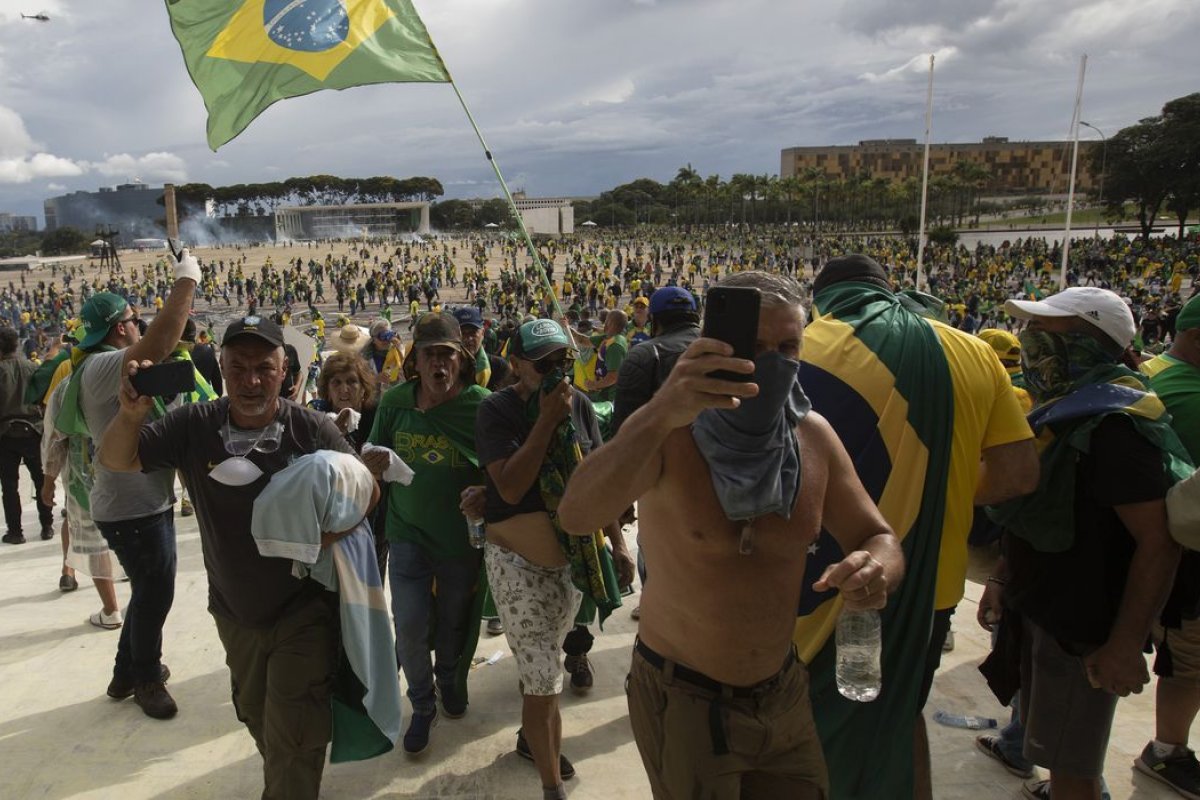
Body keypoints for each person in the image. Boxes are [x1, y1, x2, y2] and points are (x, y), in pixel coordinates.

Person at [558, 270, 905, 800]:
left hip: (783, 691)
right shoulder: (670, 433)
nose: (772, 362)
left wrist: (878, 568)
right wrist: (661, 410)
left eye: (788, 347)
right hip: (685, 697)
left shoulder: (812, 437)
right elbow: (577, 514)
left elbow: (877, 535)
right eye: (755, 346)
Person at [793, 255, 1037, 800]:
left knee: (811, 733)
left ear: (822, 299)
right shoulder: (975, 351)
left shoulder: (805, 347)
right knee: (900, 717)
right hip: (933, 585)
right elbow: (1019, 473)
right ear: (888, 288)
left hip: (831, 582)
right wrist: (942, 487)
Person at [98, 314, 371, 800]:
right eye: (238, 368)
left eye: (264, 368)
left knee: (294, 730)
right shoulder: (193, 425)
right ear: (221, 368)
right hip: (234, 611)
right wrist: (132, 414)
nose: (251, 381)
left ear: (284, 371)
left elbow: (367, 492)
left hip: (303, 609)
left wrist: (324, 537)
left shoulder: (308, 429)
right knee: (257, 713)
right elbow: (117, 459)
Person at [986, 287, 1191, 800]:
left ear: (1088, 343)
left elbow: (1158, 542)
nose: (1031, 341)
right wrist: (1002, 577)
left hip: (1084, 630)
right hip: (1045, 609)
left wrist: (1124, 643)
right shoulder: (1067, 409)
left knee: (1073, 770)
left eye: (1045, 331)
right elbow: (1040, 511)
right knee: (1055, 756)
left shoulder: (1116, 425)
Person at [475, 319, 625, 800]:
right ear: (517, 365)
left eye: (564, 360)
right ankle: (551, 787)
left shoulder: (578, 403)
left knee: (544, 668)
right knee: (543, 679)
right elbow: (510, 486)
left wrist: (617, 544)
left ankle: (533, 742)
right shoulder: (497, 410)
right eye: (544, 364)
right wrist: (544, 422)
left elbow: (595, 477)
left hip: (568, 565)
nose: (557, 371)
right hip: (515, 564)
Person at [59, 249, 198, 720]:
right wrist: (186, 279)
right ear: (120, 328)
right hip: (131, 507)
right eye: (134, 320)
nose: (139, 327)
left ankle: (124, 674)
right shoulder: (103, 367)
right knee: (156, 594)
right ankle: (147, 678)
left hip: (139, 501)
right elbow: (161, 341)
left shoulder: (99, 366)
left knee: (146, 590)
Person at [364, 312, 489, 756]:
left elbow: (505, 468)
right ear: (414, 361)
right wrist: (372, 461)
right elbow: (372, 450)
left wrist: (487, 493)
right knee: (411, 625)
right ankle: (421, 704)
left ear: (462, 359)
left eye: (447, 355)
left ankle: (449, 678)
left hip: (460, 540)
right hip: (407, 534)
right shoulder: (396, 402)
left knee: (453, 621)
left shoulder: (481, 406)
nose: (439, 364)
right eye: (429, 355)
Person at [1134, 293, 1200, 797]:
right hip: (1182, 556)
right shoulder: (1188, 393)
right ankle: (1168, 749)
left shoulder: (1150, 371)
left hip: (1144, 544)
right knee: (1189, 663)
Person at [610, 285, 702, 618]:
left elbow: (625, 432)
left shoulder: (645, 354)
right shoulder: (724, 350)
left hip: (662, 475)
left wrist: (622, 494)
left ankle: (655, 604)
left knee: (657, 541)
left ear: (655, 321)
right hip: (721, 472)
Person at [0, 326, 54, 544]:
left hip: (5, 435)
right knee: (41, 480)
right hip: (34, 431)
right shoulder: (33, 368)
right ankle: (47, 526)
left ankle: (15, 532)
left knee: (9, 486)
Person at [453, 305, 511, 390]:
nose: (469, 339)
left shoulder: (499, 367)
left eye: (473, 333)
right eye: (463, 333)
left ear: (483, 333)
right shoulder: (447, 368)